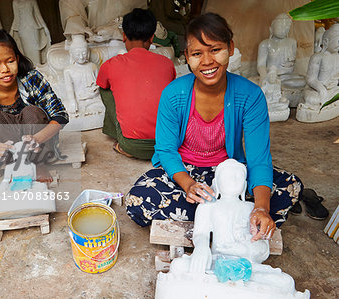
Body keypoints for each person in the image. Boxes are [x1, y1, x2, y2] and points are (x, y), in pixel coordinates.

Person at [126, 13, 304, 241]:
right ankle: (229, 224)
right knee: (138, 198)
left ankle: (212, 221)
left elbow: (259, 159)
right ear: (187, 57)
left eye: (215, 50)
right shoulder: (173, 94)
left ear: (230, 48)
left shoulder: (250, 95)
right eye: (197, 54)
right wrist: (188, 185)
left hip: (230, 172)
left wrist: (261, 207)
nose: (207, 61)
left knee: (289, 187)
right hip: (184, 171)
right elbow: (166, 151)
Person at [0, 29, 69, 181]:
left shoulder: (32, 79)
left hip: (37, 145)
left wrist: (38, 138)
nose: (5, 69)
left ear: (17, 59)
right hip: (7, 151)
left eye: (10, 61)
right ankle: (13, 167)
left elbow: (61, 115)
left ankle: (39, 165)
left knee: (32, 112)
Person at [96, 8, 176, 159]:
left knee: (104, 88)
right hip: (168, 144)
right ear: (152, 38)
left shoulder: (111, 64)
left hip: (131, 146)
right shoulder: (166, 63)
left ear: (124, 36)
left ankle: (120, 141)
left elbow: (103, 85)